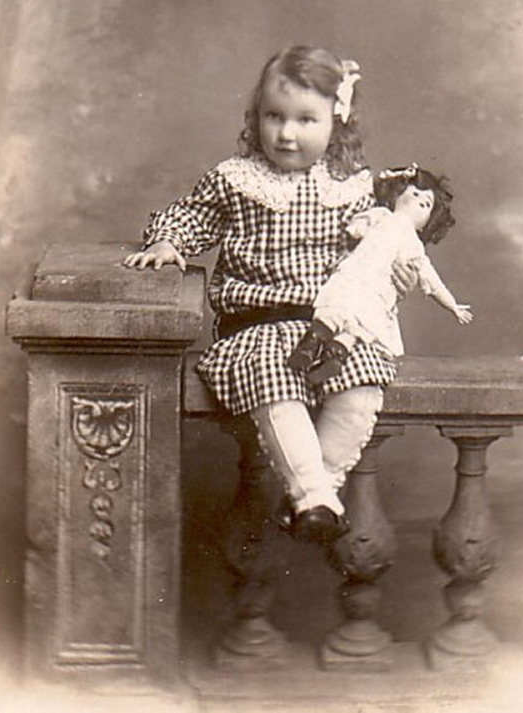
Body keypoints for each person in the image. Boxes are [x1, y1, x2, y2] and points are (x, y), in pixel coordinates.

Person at [124, 45, 416, 547]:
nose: (286, 133)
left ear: (337, 121)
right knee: (274, 385)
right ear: (256, 116)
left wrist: (396, 271)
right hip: (256, 327)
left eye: (306, 120)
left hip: (327, 325)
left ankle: (315, 495)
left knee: (363, 382)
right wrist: (170, 241)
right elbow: (192, 216)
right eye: (274, 116)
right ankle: (312, 495)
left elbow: (373, 256)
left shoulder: (352, 189)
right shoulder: (238, 180)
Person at [287, 164, 472, 384]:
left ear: (427, 223)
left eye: (426, 204)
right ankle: (325, 350)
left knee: (346, 319)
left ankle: (323, 349)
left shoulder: (413, 244)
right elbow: (357, 226)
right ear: (396, 195)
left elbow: (430, 279)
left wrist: (452, 305)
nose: (418, 202)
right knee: (351, 321)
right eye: (414, 195)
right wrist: (355, 230)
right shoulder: (382, 215)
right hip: (363, 282)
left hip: (365, 283)